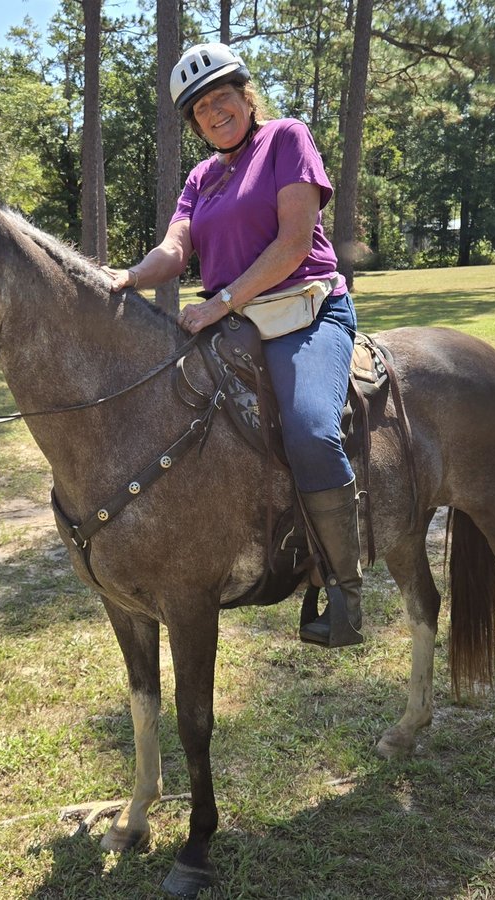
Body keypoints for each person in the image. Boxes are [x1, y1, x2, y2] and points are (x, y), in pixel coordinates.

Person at [102, 42, 364, 648]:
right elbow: (176, 249)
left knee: (310, 429)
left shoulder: (286, 139)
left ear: (246, 97)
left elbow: (294, 244)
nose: (214, 113)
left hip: (306, 312)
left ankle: (344, 591)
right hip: (239, 325)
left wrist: (221, 302)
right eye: (200, 109)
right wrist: (128, 277)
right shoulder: (201, 177)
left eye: (222, 98)